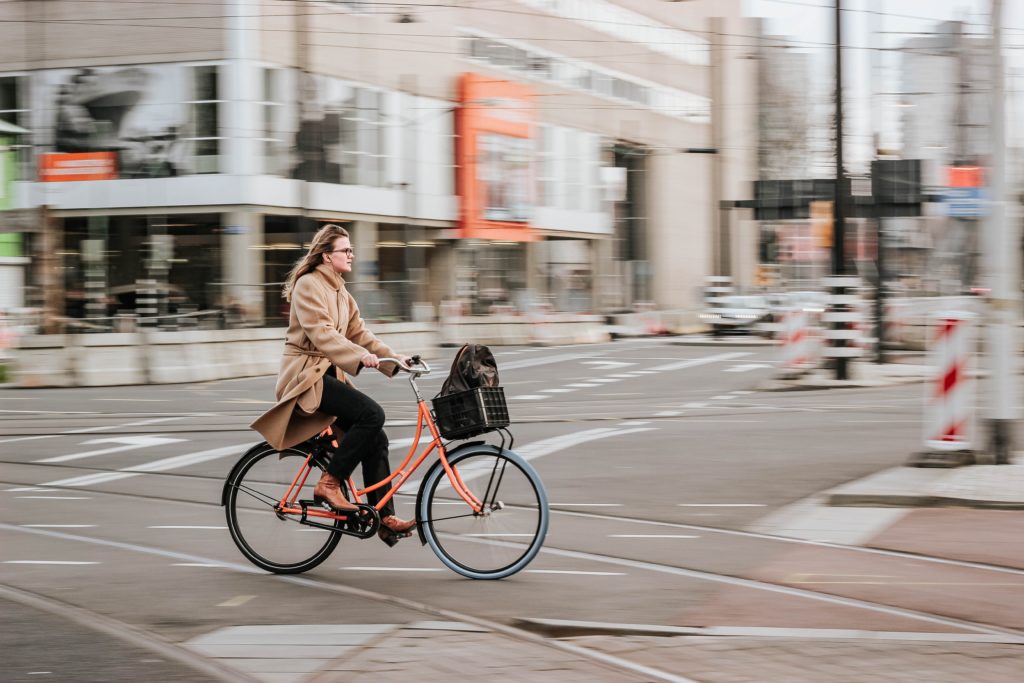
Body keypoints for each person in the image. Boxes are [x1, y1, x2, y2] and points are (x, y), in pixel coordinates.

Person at [250, 224, 416, 545]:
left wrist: (395, 359)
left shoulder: (341, 291)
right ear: (327, 256)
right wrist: (359, 357)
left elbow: (360, 334)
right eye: (346, 250)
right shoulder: (308, 286)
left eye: (352, 249)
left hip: (327, 375)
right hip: (306, 376)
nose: (351, 254)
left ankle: (383, 516)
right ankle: (329, 483)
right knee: (372, 414)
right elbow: (322, 334)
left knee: (376, 438)